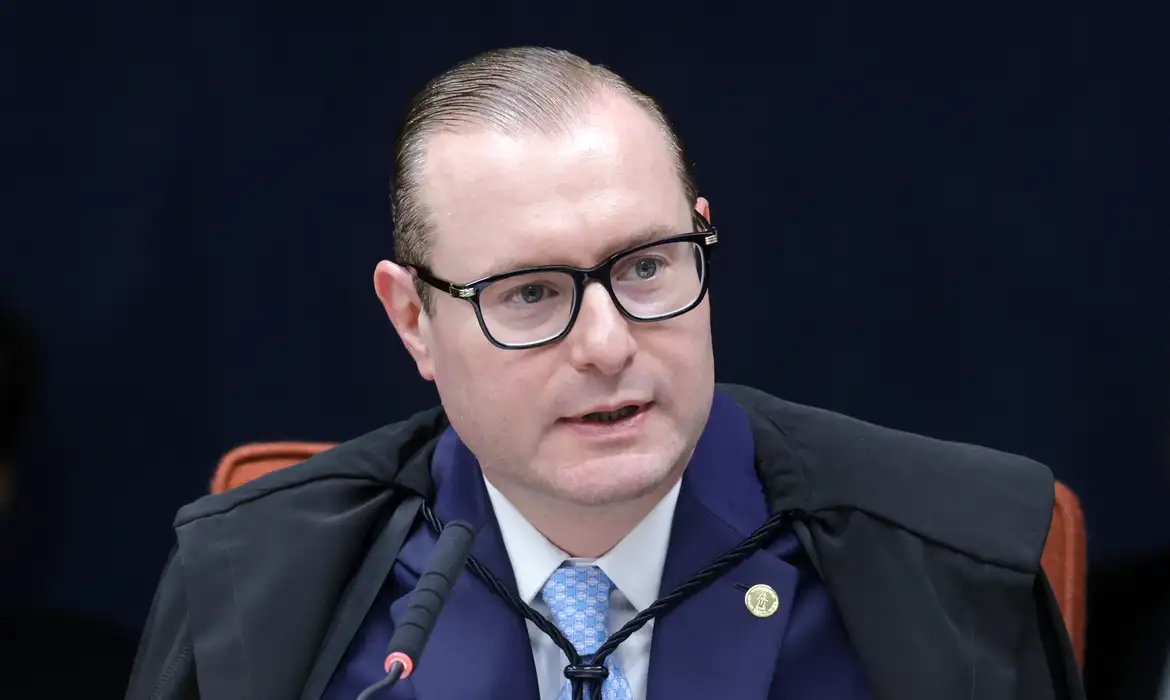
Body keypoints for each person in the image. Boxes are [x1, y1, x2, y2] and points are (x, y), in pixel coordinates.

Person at [125, 47, 1084, 700]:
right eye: (530, 293)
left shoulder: (947, 559)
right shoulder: (251, 590)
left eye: (646, 267)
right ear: (413, 319)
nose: (608, 344)